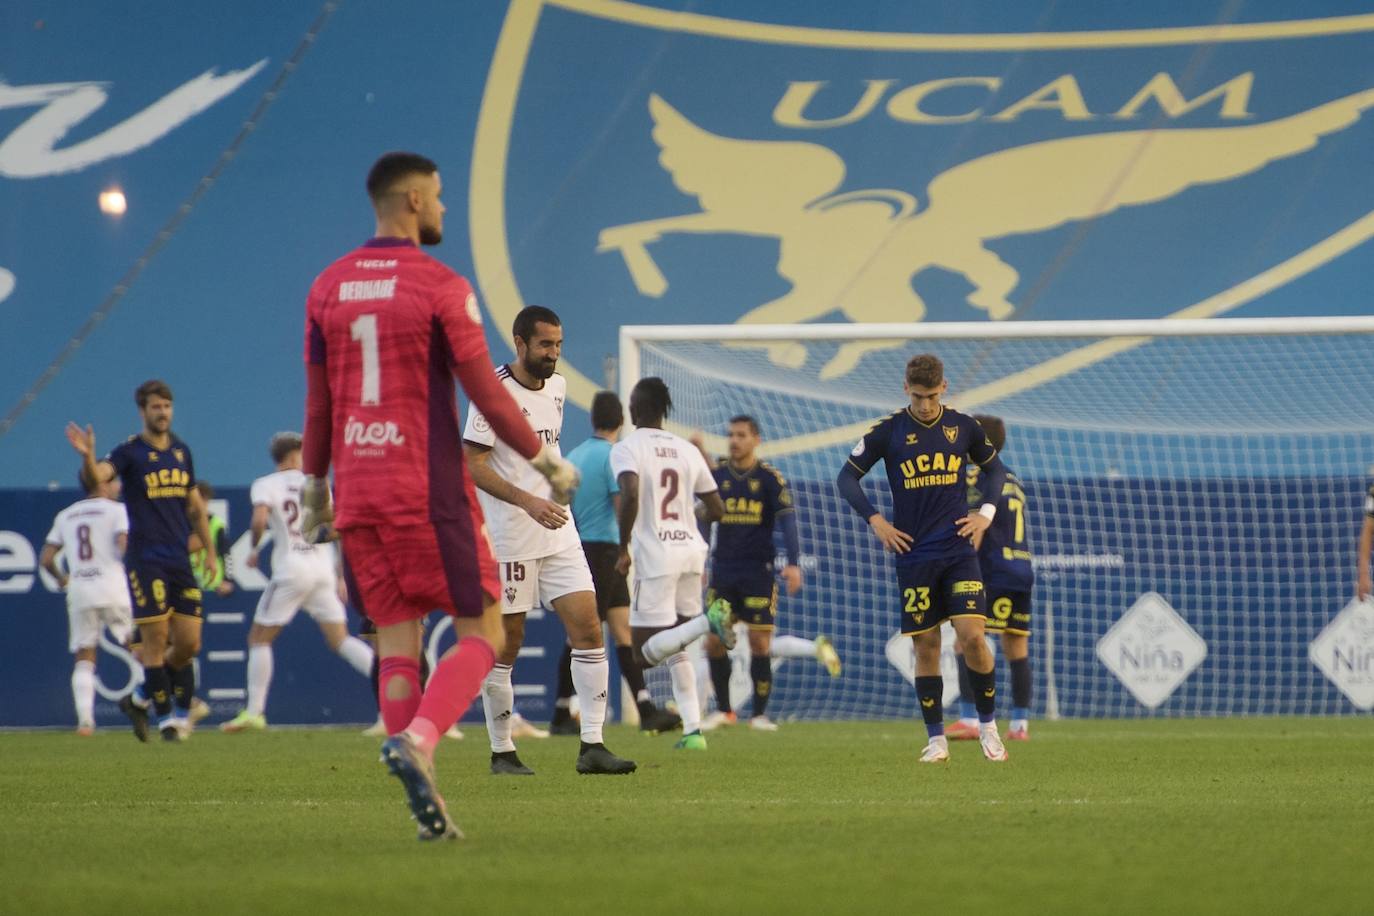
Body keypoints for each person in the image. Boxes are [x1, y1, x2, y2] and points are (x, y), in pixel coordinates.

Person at [298, 150, 578, 840]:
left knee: (399, 645)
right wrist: (547, 461)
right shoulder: (440, 284)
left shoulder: (326, 287)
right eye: (443, 197)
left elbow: (318, 405)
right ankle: (421, 740)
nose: (447, 208)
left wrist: (313, 489)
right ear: (416, 201)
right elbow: (486, 391)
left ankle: (429, 809)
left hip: (356, 494)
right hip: (423, 487)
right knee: (484, 630)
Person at [462, 306, 635, 776]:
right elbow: (473, 464)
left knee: (589, 628)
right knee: (508, 641)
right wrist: (526, 500)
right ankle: (502, 751)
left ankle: (593, 746)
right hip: (511, 536)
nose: (553, 354)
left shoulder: (557, 388)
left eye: (558, 345)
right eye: (545, 345)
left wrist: (557, 485)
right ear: (520, 343)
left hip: (559, 529)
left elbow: (545, 449)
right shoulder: (492, 392)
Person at [835, 354, 1009, 764]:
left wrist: (984, 515)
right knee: (926, 646)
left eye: (931, 396)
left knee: (972, 638)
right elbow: (846, 477)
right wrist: (876, 520)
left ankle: (989, 728)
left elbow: (996, 471)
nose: (925, 404)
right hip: (914, 555)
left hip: (957, 550)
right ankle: (936, 740)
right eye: (918, 396)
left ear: (943, 388)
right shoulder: (889, 431)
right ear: (905, 388)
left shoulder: (964, 427)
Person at [66, 379, 217, 742]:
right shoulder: (129, 452)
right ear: (143, 411)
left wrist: (211, 551)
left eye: (166, 406)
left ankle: (138, 699)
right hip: (146, 560)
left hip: (179, 560)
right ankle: (167, 720)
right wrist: (88, 455)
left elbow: (194, 506)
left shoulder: (181, 451)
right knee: (155, 639)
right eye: (155, 407)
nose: (162, 412)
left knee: (188, 645)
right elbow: (97, 476)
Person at [220, 432, 375, 732]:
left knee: (259, 638)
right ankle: (395, 687)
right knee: (340, 639)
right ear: (295, 455)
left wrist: (252, 549)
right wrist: (342, 575)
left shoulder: (265, 484)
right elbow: (336, 527)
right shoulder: (317, 484)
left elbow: (258, 520)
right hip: (322, 569)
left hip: (292, 569)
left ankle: (254, 712)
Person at [695, 415, 841, 732]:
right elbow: (704, 518)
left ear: (756, 440)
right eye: (731, 435)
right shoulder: (717, 475)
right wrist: (701, 559)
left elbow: (787, 520)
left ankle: (759, 715)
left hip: (757, 573)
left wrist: (792, 563)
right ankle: (724, 711)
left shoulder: (770, 478)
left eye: (741, 435)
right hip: (722, 572)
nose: (735, 440)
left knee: (761, 644)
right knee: (714, 641)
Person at [611, 377, 733, 750]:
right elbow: (717, 509)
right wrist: (684, 517)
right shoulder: (687, 450)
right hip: (691, 550)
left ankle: (706, 621)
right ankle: (693, 732)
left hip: (656, 554)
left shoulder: (626, 447)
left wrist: (623, 546)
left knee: (642, 653)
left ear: (634, 409)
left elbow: (630, 492)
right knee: (679, 646)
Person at [549, 390, 680, 737]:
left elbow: (562, 501)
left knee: (623, 631)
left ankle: (645, 709)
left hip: (582, 547)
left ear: (593, 420)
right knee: (582, 635)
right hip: (606, 551)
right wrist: (627, 546)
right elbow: (621, 501)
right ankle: (561, 711)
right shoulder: (614, 456)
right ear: (621, 422)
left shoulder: (575, 455)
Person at [948, 416, 1035, 742]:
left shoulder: (977, 474)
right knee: (1016, 645)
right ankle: (1019, 725)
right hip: (1021, 569)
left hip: (992, 570)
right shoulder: (1011, 477)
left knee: (966, 641)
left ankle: (970, 718)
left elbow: (975, 526)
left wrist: (961, 568)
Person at [39, 470, 132, 735]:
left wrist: (62, 578)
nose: (118, 485)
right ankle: (161, 704)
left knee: (84, 653)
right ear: (102, 483)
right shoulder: (117, 511)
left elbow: (46, 559)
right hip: (112, 586)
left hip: (80, 589)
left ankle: (86, 721)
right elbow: (124, 544)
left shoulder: (66, 514)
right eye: (113, 480)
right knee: (136, 644)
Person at [190, 481, 233, 596]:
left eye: (205, 501)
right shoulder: (183, 523)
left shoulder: (216, 524)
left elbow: (226, 554)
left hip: (213, 585)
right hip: (189, 583)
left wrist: (227, 580)